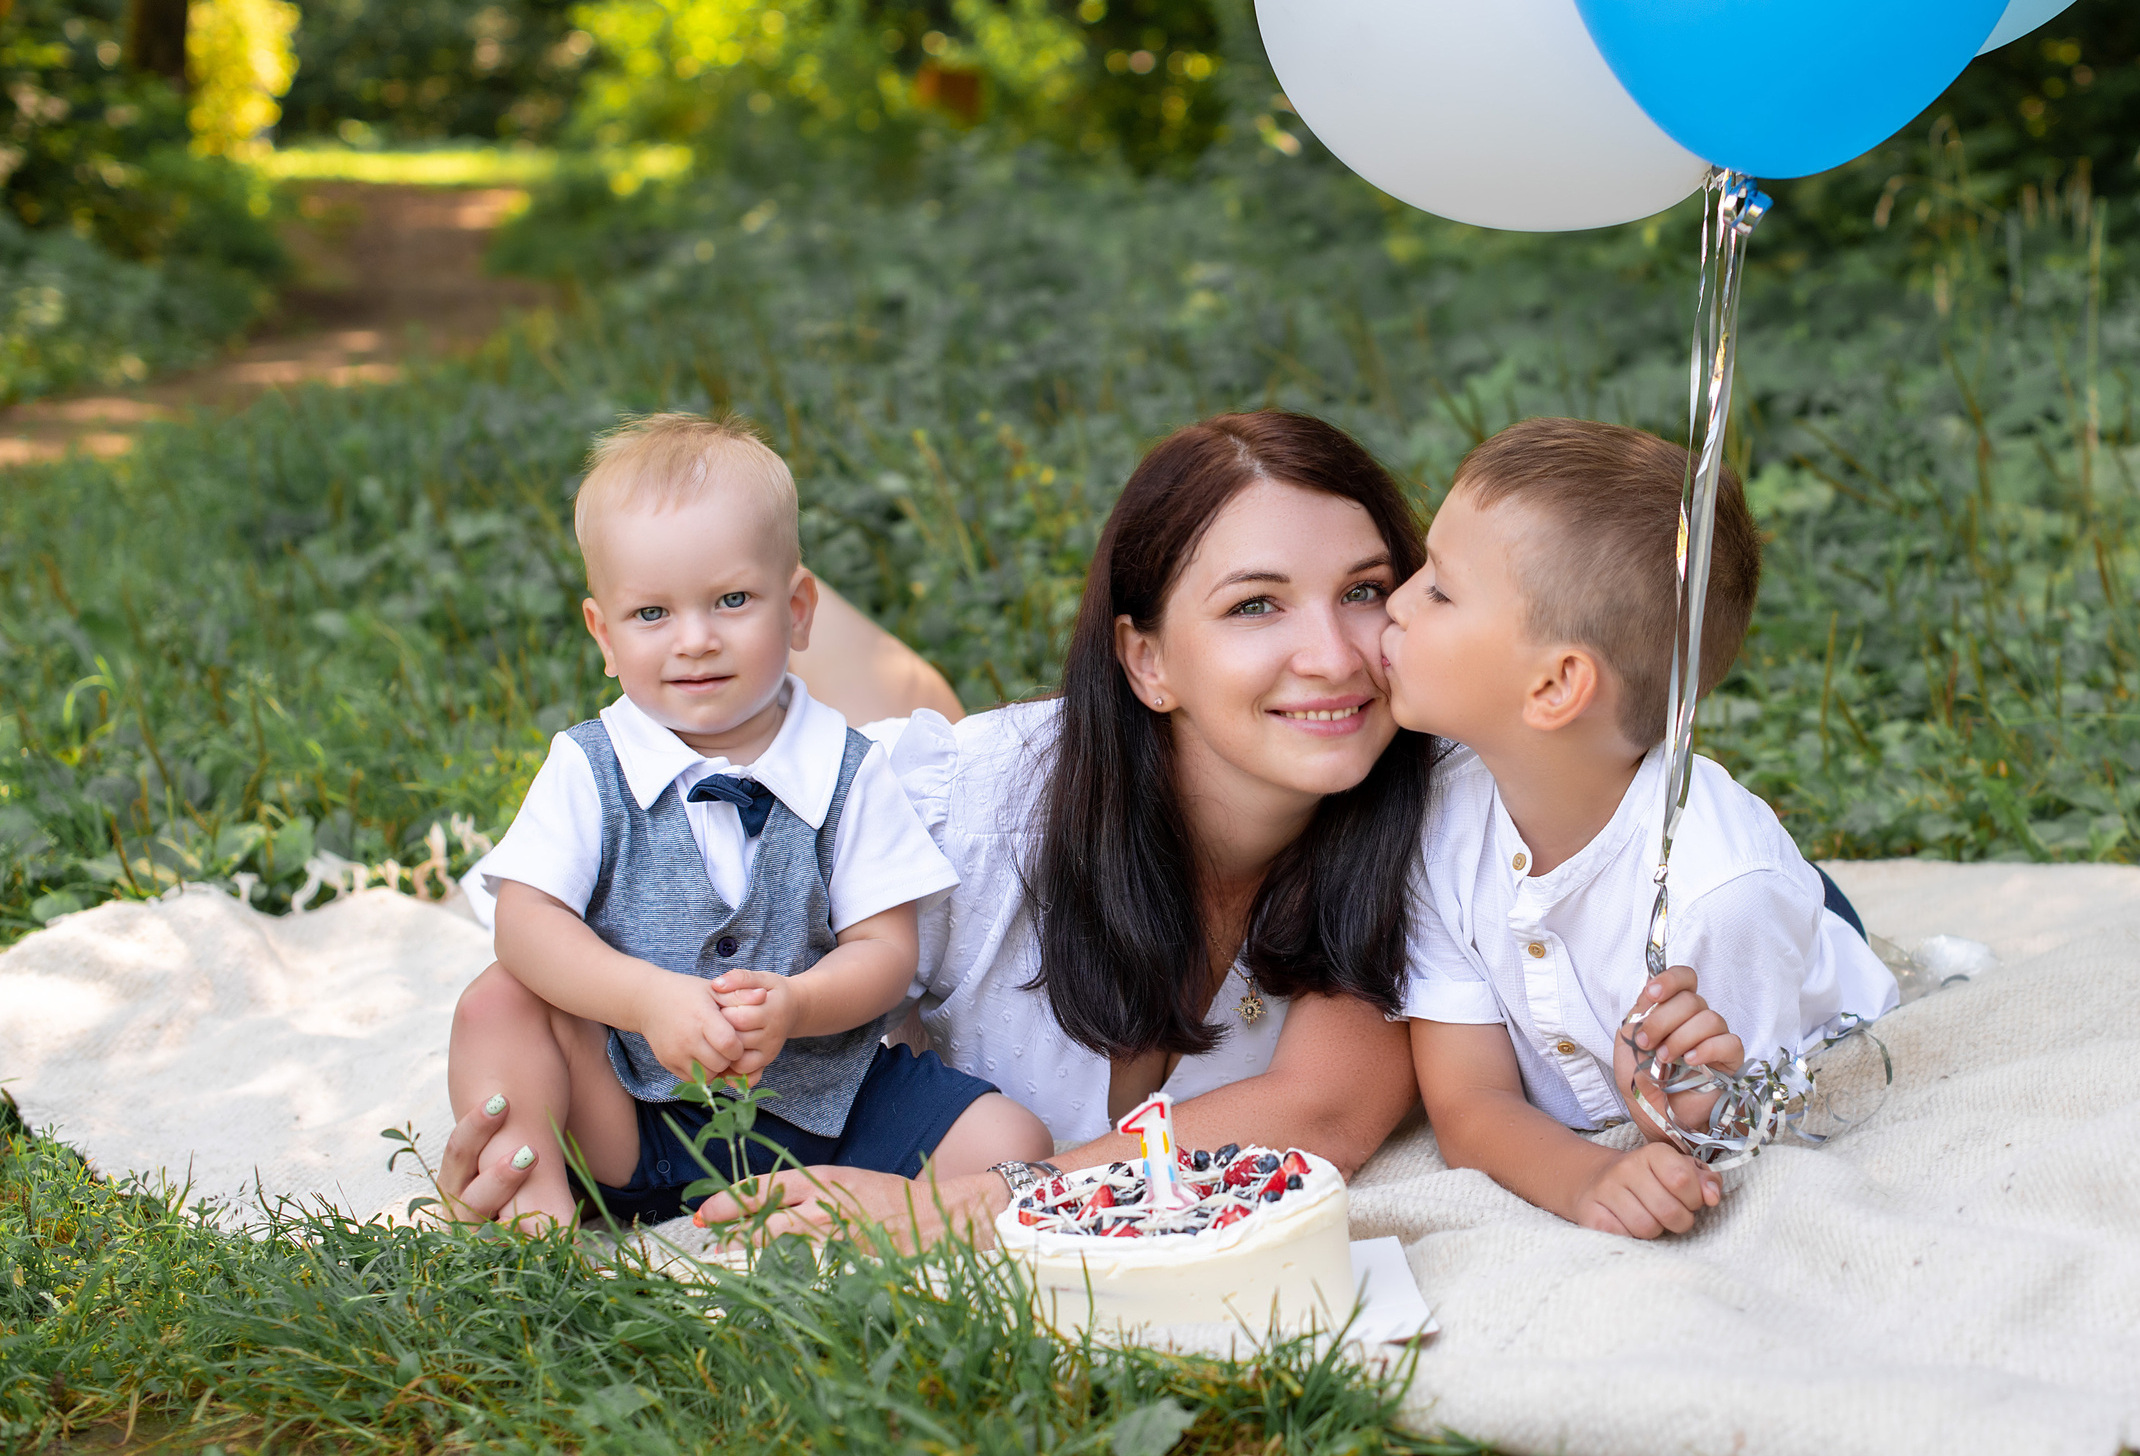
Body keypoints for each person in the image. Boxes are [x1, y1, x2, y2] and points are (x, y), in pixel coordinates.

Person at [441, 410, 1432, 1245]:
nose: (1332, 652)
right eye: (1256, 603)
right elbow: (568, 956)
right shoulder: (954, 812)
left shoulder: (1432, 817)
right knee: (889, 719)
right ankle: (788, 623)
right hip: (947, 773)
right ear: (1147, 661)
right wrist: (528, 1099)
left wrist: (953, 1208)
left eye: (1365, 589)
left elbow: (1323, 1108)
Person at [445, 412, 1051, 1230]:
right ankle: (533, 1199)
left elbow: (884, 948)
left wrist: (797, 1005)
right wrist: (647, 998)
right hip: (631, 1110)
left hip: (826, 1109)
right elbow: (524, 922)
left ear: (797, 609)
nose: (695, 640)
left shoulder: (847, 768)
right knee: (499, 1003)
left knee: (1014, 1138)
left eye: (732, 599)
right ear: (604, 634)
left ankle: (844, 1205)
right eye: (651, 614)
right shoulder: (590, 766)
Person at [1381, 417, 1897, 1239]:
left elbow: (1736, 1123)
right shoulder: (1436, 822)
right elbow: (1468, 1102)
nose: (1395, 601)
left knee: (1799, 913)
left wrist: (1674, 1113)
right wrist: (1588, 1177)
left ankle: (1827, 912)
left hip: (1784, 954)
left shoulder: (1718, 901)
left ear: (1553, 686)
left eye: (1438, 589)